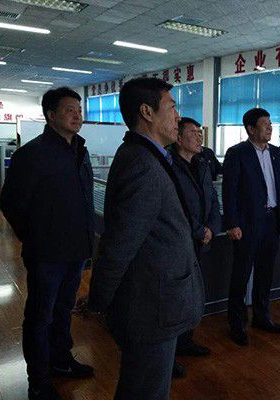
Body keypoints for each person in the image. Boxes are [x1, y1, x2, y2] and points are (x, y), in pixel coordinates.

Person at [88, 78, 204, 400]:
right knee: (146, 391)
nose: (178, 116)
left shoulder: (148, 156)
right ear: (147, 112)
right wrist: (99, 301)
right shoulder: (142, 164)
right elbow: (119, 245)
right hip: (151, 306)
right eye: (172, 107)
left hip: (155, 301)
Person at [0, 87, 95, 400]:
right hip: (47, 254)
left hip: (76, 250)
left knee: (64, 310)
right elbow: (11, 203)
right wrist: (35, 237)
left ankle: (61, 360)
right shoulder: (32, 154)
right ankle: (39, 381)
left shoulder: (80, 150)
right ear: (50, 115)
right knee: (40, 317)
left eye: (79, 109)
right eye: (69, 110)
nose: (77, 115)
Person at [222, 107, 280, 346]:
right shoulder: (237, 153)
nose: (270, 127)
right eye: (264, 123)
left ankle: (262, 316)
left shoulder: (276, 153)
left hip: (271, 222)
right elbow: (229, 192)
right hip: (247, 224)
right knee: (241, 275)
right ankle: (237, 323)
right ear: (251, 129)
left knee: (265, 273)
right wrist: (232, 223)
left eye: (270, 122)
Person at [167, 117, 221, 377]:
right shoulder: (167, 164)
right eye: (193, 132)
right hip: (179, 242)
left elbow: (213, 198)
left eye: (200, 132)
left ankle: (186, 341)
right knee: (174, 298)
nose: (200, 137)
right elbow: (175, 207)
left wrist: (212, 228)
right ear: (178, 137)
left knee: (191, 294)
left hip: (202, 241)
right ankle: (169, 354)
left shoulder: (202, 163)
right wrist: (200, 231)